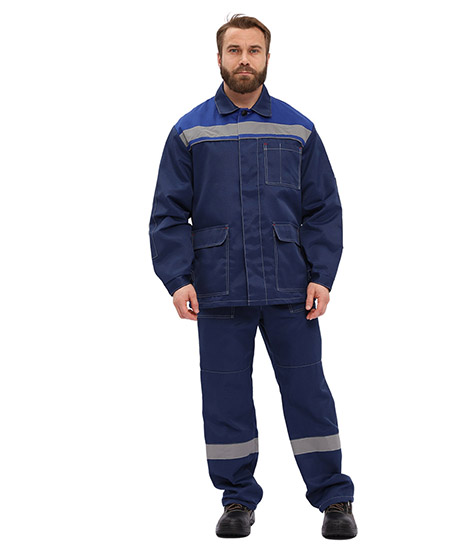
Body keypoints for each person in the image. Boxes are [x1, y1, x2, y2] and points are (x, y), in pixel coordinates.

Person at [149, 14, 357, 539]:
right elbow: (168, 214)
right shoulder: (190, 132)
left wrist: (323, 275)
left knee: (308, 393)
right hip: (217, 291)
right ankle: (238, 498)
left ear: (267, 57)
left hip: (291, 290)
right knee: (226, 401)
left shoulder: (297, 129)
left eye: (254, 50)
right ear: (219, 57)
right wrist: (177, 279)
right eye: (235, 50)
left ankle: (334, 497)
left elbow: (324, 209)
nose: (244, 59)